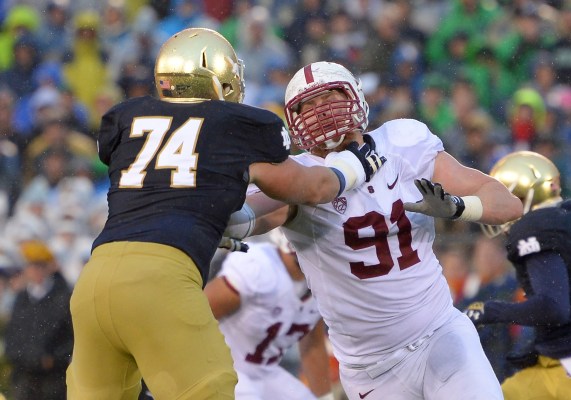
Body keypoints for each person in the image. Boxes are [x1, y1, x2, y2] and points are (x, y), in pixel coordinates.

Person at [65, 30, 386, 400]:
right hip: (161, 277)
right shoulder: (236, 123)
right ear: (220, 80)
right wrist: (356, 167)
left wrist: (209, 214)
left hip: (95, 279)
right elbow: (308, 188)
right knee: (211, 389)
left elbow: (163, 185)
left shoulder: (129, 117)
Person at [224, 61, 523, 400]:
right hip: (372, 370)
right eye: (308, 105)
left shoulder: (401, 143)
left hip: (439, 332)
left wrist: (457, 207)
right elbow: (244, 216)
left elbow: (507, 204)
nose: (320, 111)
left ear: (356, 98)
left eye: (330, 97)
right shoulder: (301, 177)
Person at [465, 150, 571, 400]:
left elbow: (553, 308)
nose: (498, 208)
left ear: (526, 196)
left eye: (505, 197)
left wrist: (490, 311)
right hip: (555, 360)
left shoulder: (538, 227)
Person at [204, 229, 334, 400]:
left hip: (264, 372)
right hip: (221, 366)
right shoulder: (259, 266)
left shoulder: (319, 286)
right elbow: (194, 314)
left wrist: (324, 397)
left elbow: (313, 345)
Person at [4, 240, 73, 400]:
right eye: (31, 265)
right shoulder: (22, 298)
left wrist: (53, 359)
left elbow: (70, 336)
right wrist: (16, 355)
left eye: (39, 265)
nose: (35, 270)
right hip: (23, 376)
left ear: (48, 267)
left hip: (53, 379)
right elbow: (13, 332)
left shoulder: (62, 296)